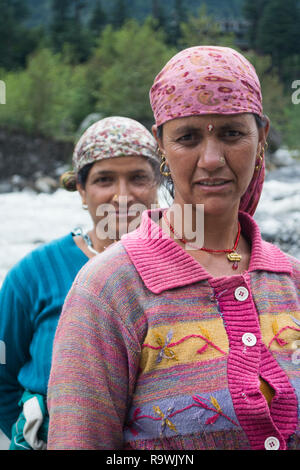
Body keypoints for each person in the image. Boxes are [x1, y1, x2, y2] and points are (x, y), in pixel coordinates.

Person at [47, 47, 300, 451]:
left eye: (232, 133)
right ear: (160, 146)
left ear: (262, 137)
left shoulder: (292, 281)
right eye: (188, 137)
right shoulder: (110, 290)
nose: (212, 159)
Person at [0, 116, 160, 450]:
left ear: (157, 184)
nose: (122, 196)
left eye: (137, 178)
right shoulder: (33, 275)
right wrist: (30, 434)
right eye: (104, 180)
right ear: (82, 191)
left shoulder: (187, 268)